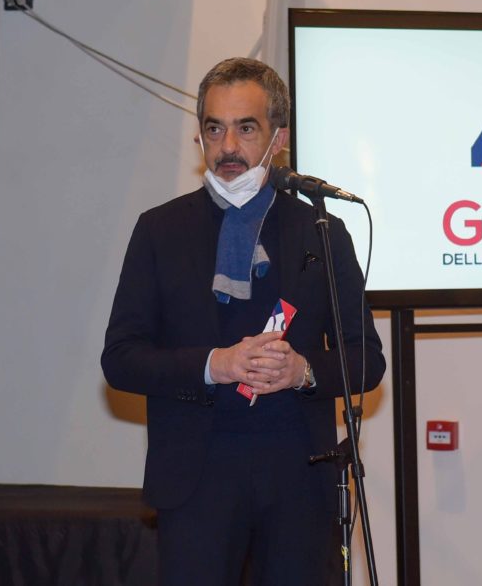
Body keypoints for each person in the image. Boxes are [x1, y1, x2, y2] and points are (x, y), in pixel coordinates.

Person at [101, 57, 385, 586]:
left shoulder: (320, 230)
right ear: (199, 136)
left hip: (298, 477)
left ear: (279, 138)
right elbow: (120, 360)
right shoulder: (160, 230)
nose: (228, 146)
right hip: (195, 478)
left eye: (246, 128)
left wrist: (304, 371)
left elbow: (367, 359)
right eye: (215, 129)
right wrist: (216, 365)